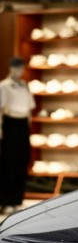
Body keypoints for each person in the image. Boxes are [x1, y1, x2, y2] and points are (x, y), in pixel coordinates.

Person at [0, 57, 35, 214]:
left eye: (21, 68)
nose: (19, 71)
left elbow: (29, 109)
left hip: (21, 126)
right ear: (11, 68)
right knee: (9, 163)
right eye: (17, 68)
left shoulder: (24, 86)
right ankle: (7, 201)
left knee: (22, 161)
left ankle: (18, 199)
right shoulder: (4, 86)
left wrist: (28, 125)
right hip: (9, 124)